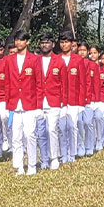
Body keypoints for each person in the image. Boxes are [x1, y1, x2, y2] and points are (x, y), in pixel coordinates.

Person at [0, 30, 42, 175]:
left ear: (27, 42)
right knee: (16, 136)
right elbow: (7, 83)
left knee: (29, 135)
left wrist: (39, 106)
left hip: (30, 103)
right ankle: (19, 166)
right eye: (16, 40)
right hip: (14, 103)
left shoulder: (34, 59)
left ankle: (32, 165)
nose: (18, 42)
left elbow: (39, 83)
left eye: (21, 40)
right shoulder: (9, 60)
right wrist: (7, 104)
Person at [35, 33, 63, 170]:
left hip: (54, 100)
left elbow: (64, 82)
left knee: (52, 130)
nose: (44, 45)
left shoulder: (59, 61)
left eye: (47, 42)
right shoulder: (35, 60)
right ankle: (44, 159)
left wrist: (63, 102)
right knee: (41, 132)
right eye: (42, 42)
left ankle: (54, 157)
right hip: (39, 101)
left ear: (53, 44)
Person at [58, 31, 84, 162]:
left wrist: (81, 103)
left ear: (72, 44)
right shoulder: (56, 59)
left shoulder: (78, 60)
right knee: (62, 127)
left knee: (73, 126)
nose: (64, 45)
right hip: (60, 100)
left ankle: (72, 154)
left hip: (74, 100)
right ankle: (63, 154)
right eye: (62, 42)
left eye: (67, 42)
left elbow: (82, 82)